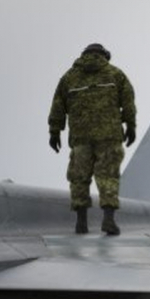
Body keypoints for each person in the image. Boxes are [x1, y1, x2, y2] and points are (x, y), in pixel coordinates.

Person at [48, 43, 136, 236]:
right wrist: (131, 126)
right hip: (109, 136)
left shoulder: (69, 77)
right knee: (108, 176)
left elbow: (57, 106)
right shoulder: (115, 74)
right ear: (104, 56)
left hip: (81, 138)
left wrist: (55, 131)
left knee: (79, 178)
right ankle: (108, 219)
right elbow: (128, 102)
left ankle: (81, 223)